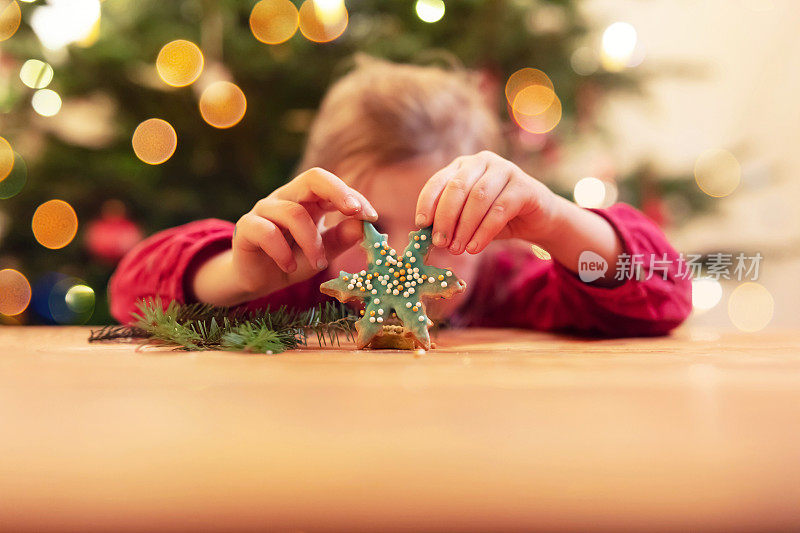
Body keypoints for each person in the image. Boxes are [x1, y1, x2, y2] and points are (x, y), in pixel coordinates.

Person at [109, 58, 691, 337]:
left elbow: (666, 289)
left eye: (437, 227)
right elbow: (132, 289)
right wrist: (234, 276)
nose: (395, 259)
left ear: (494, 224)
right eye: (368, 225)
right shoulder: (298, 283)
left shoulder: (512, 286)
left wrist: (556, 220)